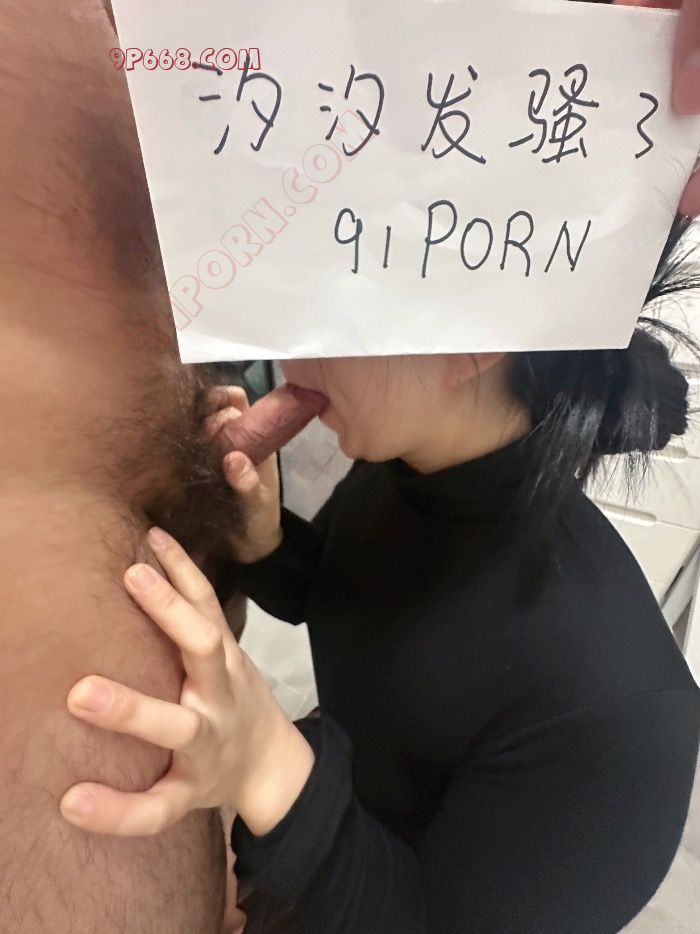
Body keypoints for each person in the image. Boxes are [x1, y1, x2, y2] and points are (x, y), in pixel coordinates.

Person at [58, 3, 700, 932]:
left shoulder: (617, 723)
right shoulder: (404, 472)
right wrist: (269, 543)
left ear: (472, 335)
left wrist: (270, 769)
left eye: (327, 302)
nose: (287, 349)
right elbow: (361, 607)